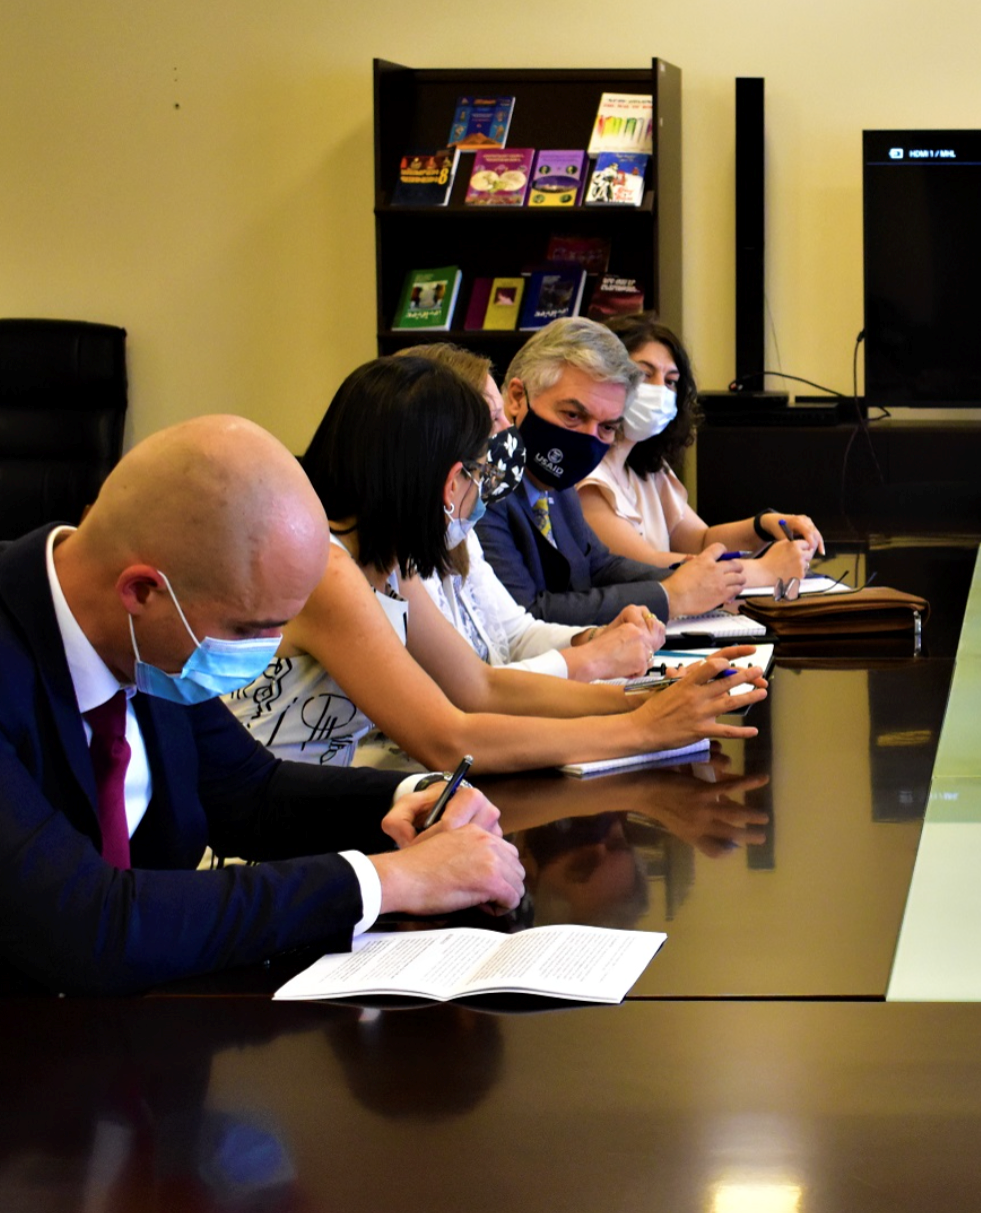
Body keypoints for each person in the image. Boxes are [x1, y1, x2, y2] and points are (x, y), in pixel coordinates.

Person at [0, 415, 524, 995]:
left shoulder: (141, 638)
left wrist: (418, 795)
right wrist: (386, 881)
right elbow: (86, 924)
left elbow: (250, 794)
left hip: (150, 1030)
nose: (267, 650)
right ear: (142, 591)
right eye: (249, 628)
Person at [223, 356, 766, 774]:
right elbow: (450, 738)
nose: (483, 491)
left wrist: (645, 697)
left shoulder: (389, 561)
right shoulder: (329, 571)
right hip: (264, 838)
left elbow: (479, 688)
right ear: (443, 477)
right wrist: (642, 730)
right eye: (477, 472)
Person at [396, 343, 662, 682]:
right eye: (493, 417)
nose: (508, 429)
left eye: (607, 426)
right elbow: (470, 690)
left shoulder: (458, 530)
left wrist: (594, 637)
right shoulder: (397, 558)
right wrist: (591, 660)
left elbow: (517, 633)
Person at [477, 317, 747, 627]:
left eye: (606, 427)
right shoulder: (485, 483)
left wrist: (688, 575)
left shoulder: (557, 481)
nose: (587, 439)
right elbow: (527, 613)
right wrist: (670, 595)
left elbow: (597, 566)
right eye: (573, 415)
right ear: (516, 398)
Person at [578, 314, 824, 586]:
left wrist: (764, 525)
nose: (660, 390)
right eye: (644, 374)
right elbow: (643, 567)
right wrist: (765, 570)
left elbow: (701, 541)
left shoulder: (647, 468)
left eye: (670, 381)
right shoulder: (584, 475)